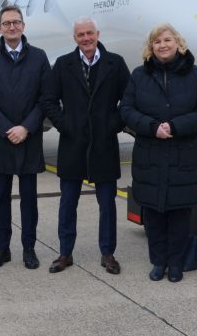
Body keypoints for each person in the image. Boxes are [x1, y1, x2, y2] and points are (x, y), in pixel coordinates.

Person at [119, 23, 197, 283]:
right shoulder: (139, 75)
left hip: (184, 156)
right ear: (151, 47)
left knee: (179, 215)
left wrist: (175, 126)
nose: (162, 45)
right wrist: (152, 127)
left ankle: (175, 263)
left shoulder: (196, 74)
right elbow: (126, 109)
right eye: (157, 41)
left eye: (167, 40)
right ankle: (158, 261)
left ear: (178, 43)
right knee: (153, 215)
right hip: (150, 155)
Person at [41, 18, 130, 274]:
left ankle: (108, 253)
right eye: (80, 34)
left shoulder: (115, 63)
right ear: (75, 38)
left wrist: (112, 125)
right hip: (73, 144)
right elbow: (49, 100)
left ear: (97, 34)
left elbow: (129, 99)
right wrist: (65, 125)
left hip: (104, 144)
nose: (86, 38)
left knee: (107, 204)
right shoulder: (63, 64)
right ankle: (65, 252)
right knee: (68, 203)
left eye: (89, 33)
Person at [0, 5, 51, 269]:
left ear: (23, 26)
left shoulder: (39, 57)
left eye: (16, 22)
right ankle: (3, 248)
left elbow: (45, 99)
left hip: (29, 139)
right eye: (7, 23)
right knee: (1, 199)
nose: (12, 27)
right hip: (1, 140)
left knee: (29, 199)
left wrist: (26, 128)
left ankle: (29, 248)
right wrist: (9, 129)